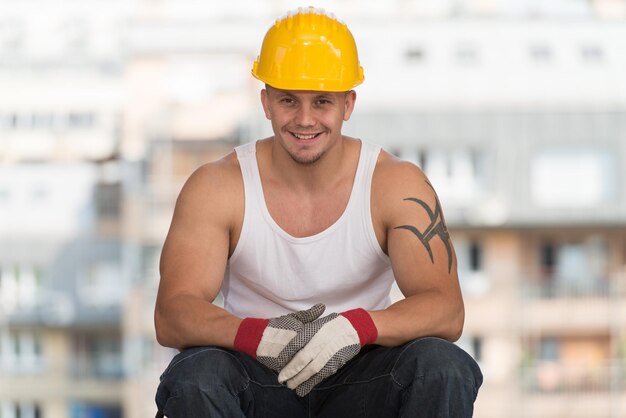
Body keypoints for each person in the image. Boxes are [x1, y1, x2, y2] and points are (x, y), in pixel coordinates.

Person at [154, 7, 482, 418]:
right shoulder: (217, 186)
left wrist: (355, 328)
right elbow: (172, 314)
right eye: (288, 100)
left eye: (322, 101)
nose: (305, 120)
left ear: (348, 103)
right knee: (195, 376)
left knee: (443, 367)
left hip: (363, 376)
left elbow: (447, 310)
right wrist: (259, 336)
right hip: (254, 377)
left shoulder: (395, 183)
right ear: (266, 102)